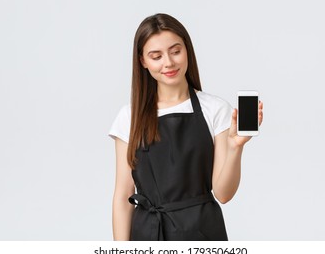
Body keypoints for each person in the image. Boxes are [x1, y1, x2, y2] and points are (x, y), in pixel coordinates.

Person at [109, 13, 263, 241]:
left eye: (175, 51)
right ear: (143, 61)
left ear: (187, 51)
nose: (168, 63)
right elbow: (123, 196)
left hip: (202, 234)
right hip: (148, 235)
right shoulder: (129, 117)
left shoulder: (216, 109)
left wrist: (236, 148)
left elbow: (223, 193)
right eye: (156, 56)